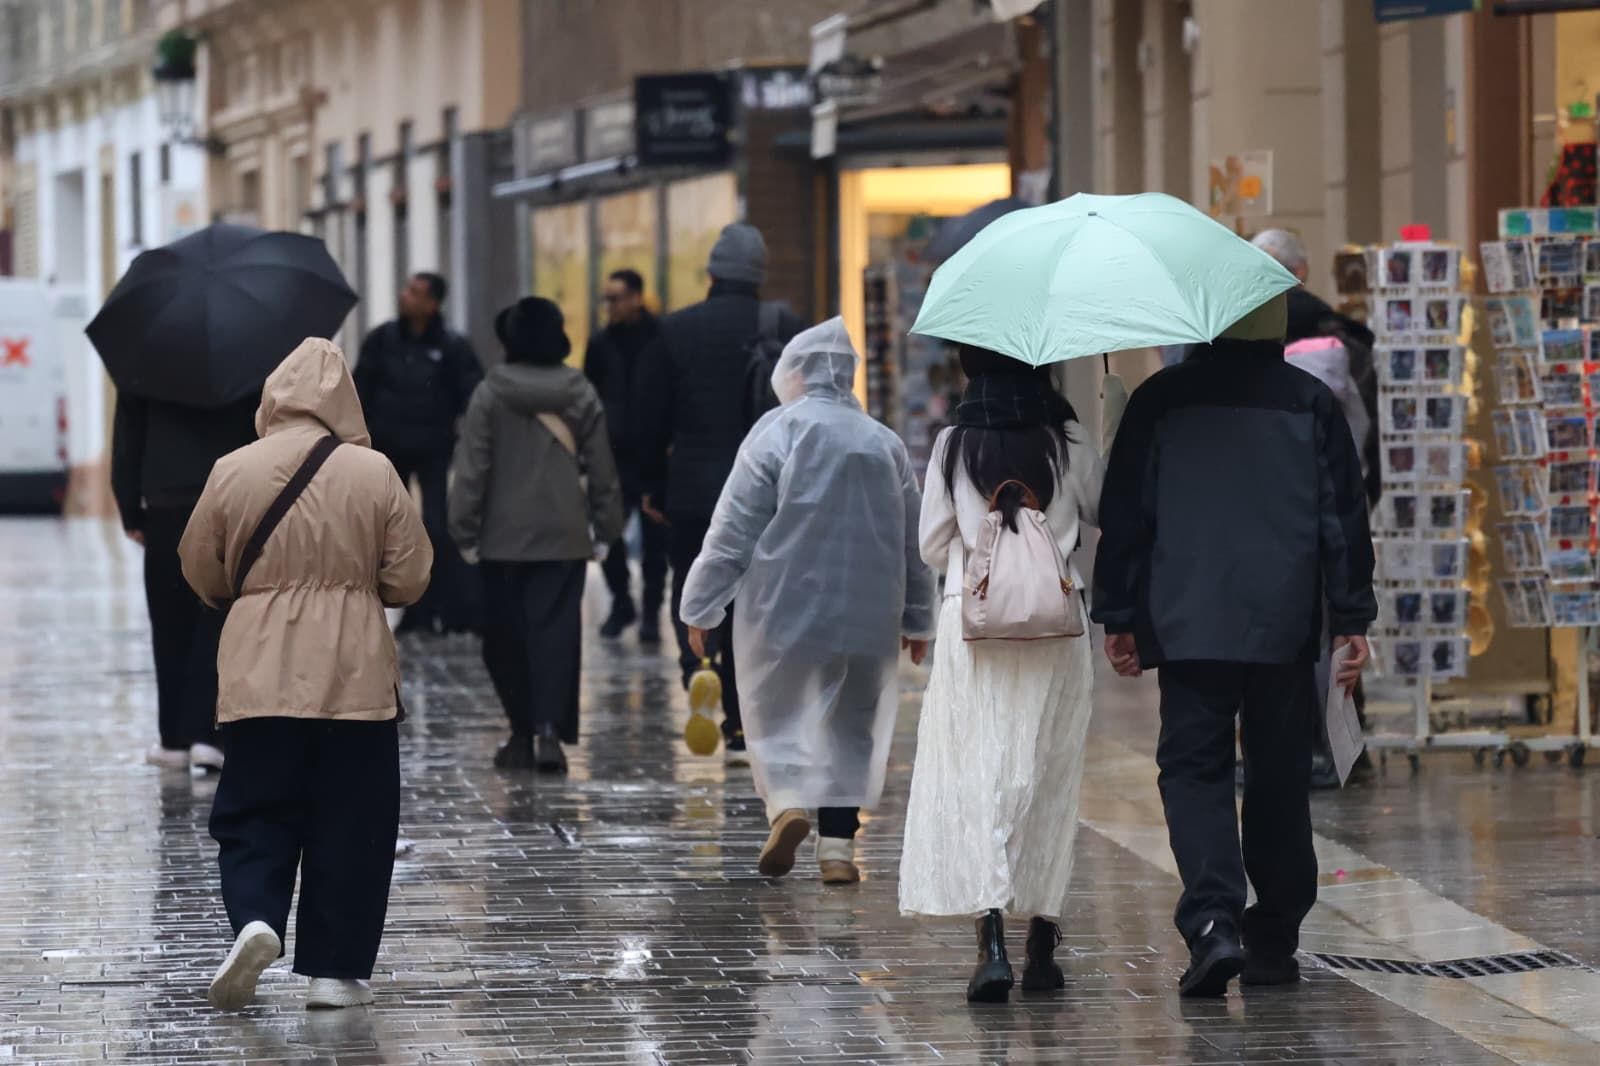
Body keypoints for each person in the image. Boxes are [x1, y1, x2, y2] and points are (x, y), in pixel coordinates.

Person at [1091, 294, 1376, 999]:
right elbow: (1341, 516)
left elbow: (1127, 510)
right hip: (1281, 624)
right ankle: (1274, 937)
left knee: (1194, 770)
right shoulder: (1309, 403)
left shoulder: (1160, 400)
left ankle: (1215, 921)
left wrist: (1119, 613)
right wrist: (1351, 616)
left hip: (1188, 622)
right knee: (1278, 774)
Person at [178, 337, 432, 1011]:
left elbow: (199, 567)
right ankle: (335, 973)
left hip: (257, 670)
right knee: (354, 818)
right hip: (355, 679)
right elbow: (411, 576)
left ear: (273, 395)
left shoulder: (233, 468)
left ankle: (257, 916)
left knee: (255, 807)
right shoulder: (374, 473)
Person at [678, 318, 935, 883]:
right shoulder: (884, 443)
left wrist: (701, 606)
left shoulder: (776, 434)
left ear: (794, 373)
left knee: (780, 707)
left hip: (783, 609)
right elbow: (915, 540)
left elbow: (733, 530)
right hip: (869, 613)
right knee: (854, 722)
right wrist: (921, 618)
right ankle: (838, 849)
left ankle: (788, 804)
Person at [899, 347, 1104, 1004]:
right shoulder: (1065, 436)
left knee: (981, 777)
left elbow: (932, 542)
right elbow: (1103, 507)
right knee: (1048, 774)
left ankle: (990, 943)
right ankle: (1042, 943)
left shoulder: (955, 441)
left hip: (975, 622)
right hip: (1055, 621)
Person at [635, 224, 805, 762]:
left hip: (694, 486)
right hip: (768, 489)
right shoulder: (787, 328)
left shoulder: (675, 331)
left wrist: (652, 487)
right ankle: (741, 714)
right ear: (760, 274)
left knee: (692, 579)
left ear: (711, 273)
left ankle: (698, 665)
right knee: (756, 597)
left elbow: (650, 419)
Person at [450, 297, 624, 775]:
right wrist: (608, 527)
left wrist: (461, 528)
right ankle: (550, 730)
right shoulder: (580, 391)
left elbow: (472, 469)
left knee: (504, 639)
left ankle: (520, 731)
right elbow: (603, 469)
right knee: (555, 635)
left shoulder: (490, 393)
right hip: (563, 535)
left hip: (500, 538)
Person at [1253, 228, 1380, 787]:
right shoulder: (1344, 340)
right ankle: (1345, 746)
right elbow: (1366, 431)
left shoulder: (1252, 343)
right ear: (1302, 270)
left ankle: (1304, 746)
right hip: (1337, 499)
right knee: (1337, 628)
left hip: (1276, 510)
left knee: (1294, 633)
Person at [113, 390, 259, 773]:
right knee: (218, 618)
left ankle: (173, 739)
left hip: (165, 504)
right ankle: (209, 735)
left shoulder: (144, 361)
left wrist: (130, 511)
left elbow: (127, 444)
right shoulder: (244, 356)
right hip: (227, 497)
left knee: (169, 620)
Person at [354, 271, 482, 636]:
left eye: (414, 291)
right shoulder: (382, 340)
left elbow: (472, 393)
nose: (404, 295)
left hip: (434, 451)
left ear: (432, 303)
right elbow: (360, 387)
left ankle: (439, 606)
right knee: (394, 534)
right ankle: (410, 608)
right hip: (388, 452)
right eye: (406, 288)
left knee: (436, 528)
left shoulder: (453, 346)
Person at [584, 268, 667, 642]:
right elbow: (589, 396)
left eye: (615, 298)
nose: (609, 306)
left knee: (655, 542)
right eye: (606, 298)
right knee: (610, 534)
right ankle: (622, 602)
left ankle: (650, 610)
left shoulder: (662, 338)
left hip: (653, 454)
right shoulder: (600, 344)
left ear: (636, 297)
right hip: (612, 454)